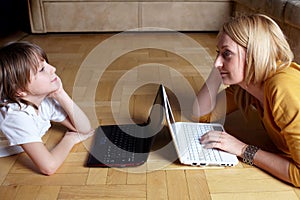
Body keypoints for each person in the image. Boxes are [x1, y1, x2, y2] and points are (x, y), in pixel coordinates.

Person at [193, 14, 300, 187]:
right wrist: (219, 69)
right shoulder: (248, 85)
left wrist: (242, 149)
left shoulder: (282, 87)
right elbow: (202, 114)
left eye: (227, 53)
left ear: (254, 54)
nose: (216, 62)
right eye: (217, 53)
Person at [0, 41, 94, 175]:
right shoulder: (15, 116)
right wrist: (70, 139)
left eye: (46, 64)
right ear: (20, 90)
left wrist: (61, 93)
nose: (53, 68)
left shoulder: (43, 100)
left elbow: (84, 128)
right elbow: (48, 167)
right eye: (42, 69)